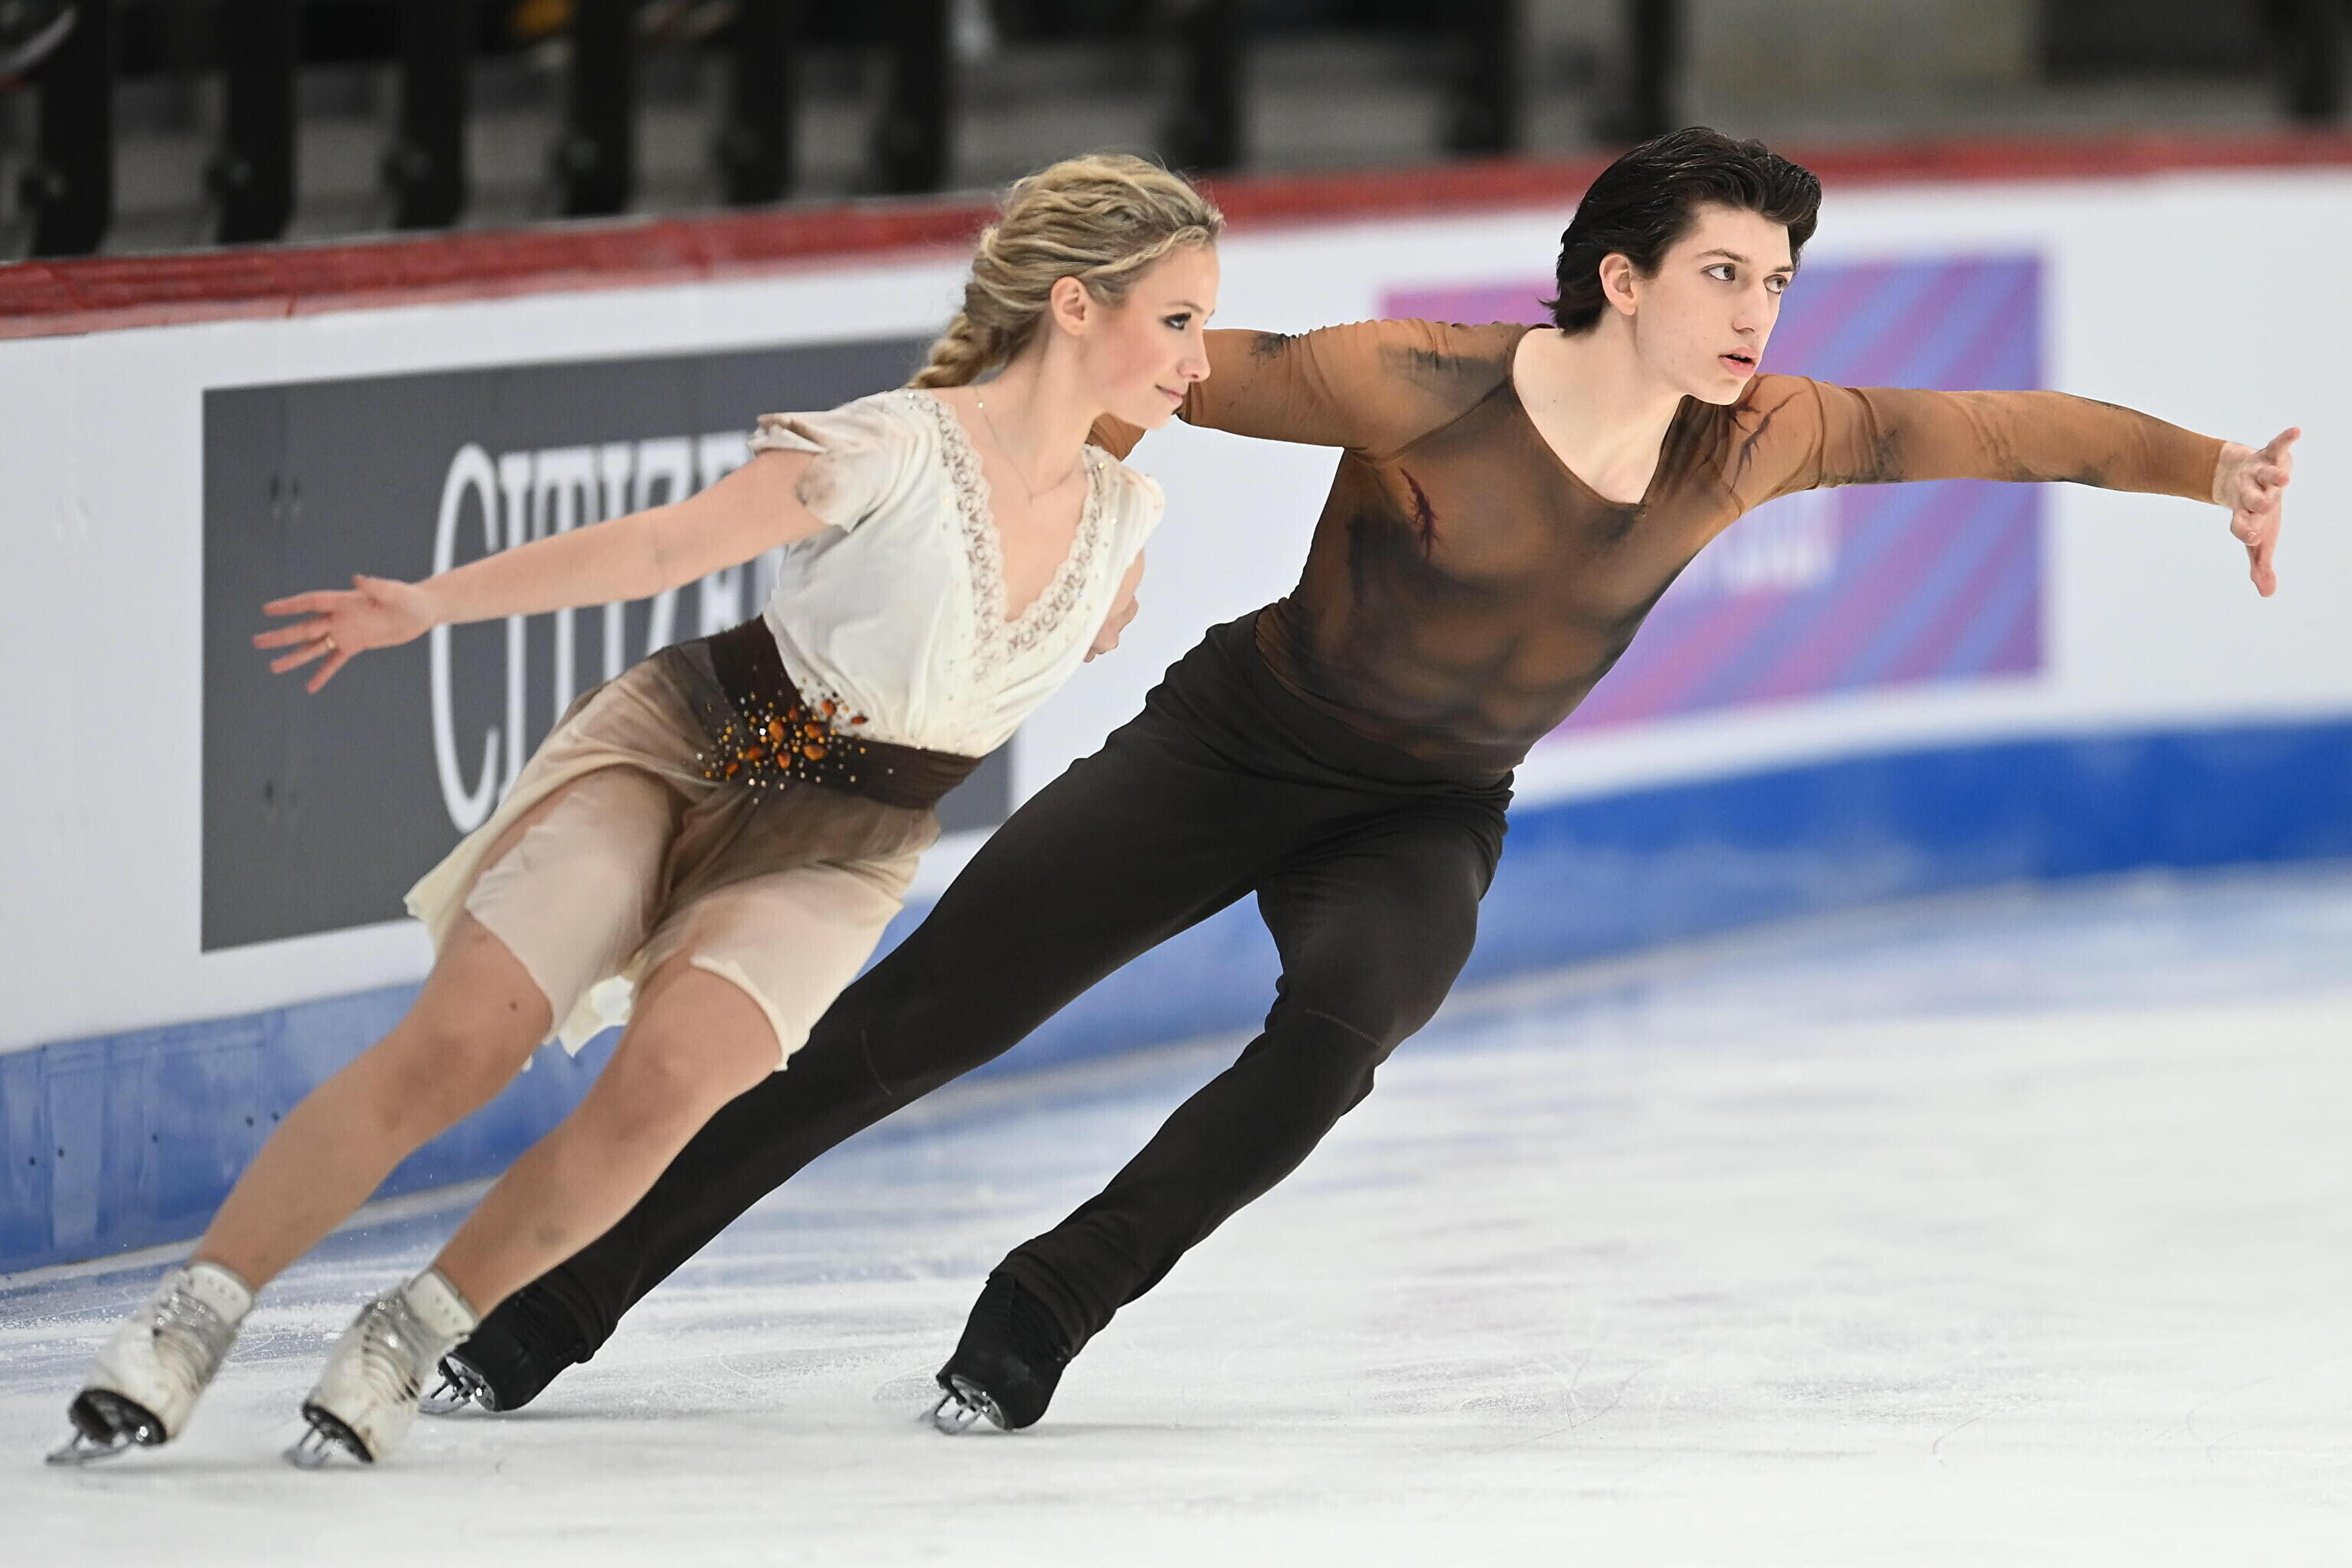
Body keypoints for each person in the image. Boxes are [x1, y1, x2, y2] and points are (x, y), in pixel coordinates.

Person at [436, 127, 2300, 1435]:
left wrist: (2211, 468)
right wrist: (1039, 502)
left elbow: (2001, 431)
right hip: (1232, 747)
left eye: (1781, 282)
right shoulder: (1414, 381)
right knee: (906, 1030)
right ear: (1622, 277)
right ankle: (552, 1305)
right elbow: (1149, 371)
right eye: (1726, 274)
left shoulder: (1760, 437)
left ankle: (1045, 1303)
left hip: (1429, 809)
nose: (1762, 313)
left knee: (1335, 1042)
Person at [51, 153, 1222, 1466]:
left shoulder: (1126, 519)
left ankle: (408, 1334)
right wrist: (430, 605)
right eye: (1179, 320)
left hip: (844, 844)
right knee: (462, 1045)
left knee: (663, 1094)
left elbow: (1076, 621)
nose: (1199, 361)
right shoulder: (895, 444)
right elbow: (666, 547)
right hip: (693, 746)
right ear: (1074, 304)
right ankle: (190, 1318)